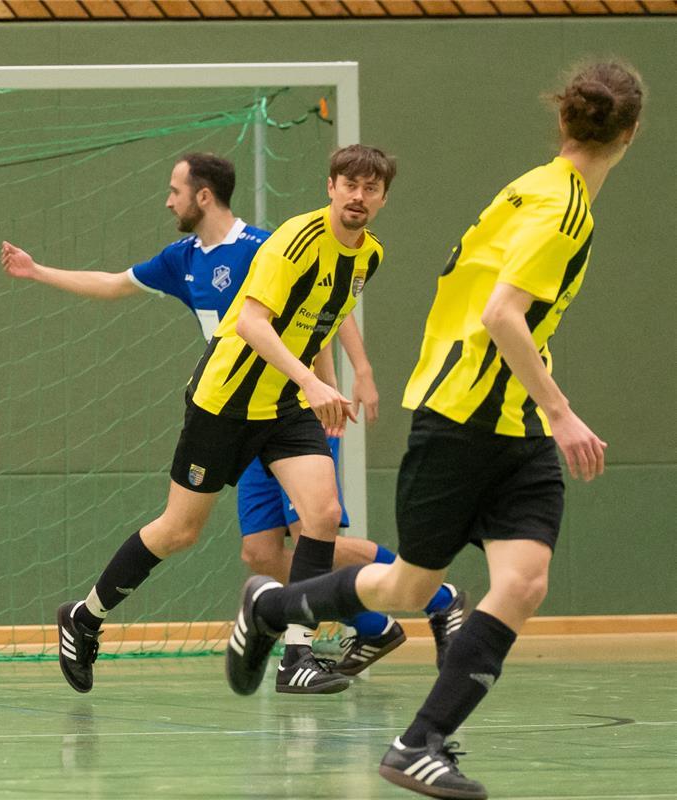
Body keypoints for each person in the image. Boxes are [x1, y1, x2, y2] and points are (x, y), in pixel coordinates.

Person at [234, 62, 643, 800]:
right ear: (631, 132)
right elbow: (500, 314)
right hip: (465, 420)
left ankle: (417, 743)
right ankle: (271, 608)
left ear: (564, 123)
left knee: (522, 582)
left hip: (506, 421)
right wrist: (562, 410)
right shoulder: (562, 209)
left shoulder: (535, 185)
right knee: (406, 585)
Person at [4, 153, 458, 692]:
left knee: (321, 513)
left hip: (286, 405)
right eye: (349, 185)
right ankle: (85, 617)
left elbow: (326, 315)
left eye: (371, 188)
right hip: (224, 401)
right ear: (330, 187)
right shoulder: (288, 241)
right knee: (179, 531)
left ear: (383, 198)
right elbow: (251, 322)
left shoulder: (369, 255)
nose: (359, 196)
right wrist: (314, 382)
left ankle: (297, 657)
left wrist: (343, 375)